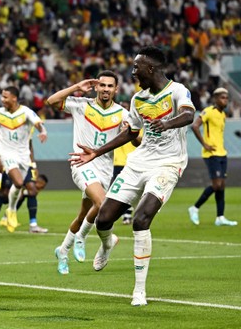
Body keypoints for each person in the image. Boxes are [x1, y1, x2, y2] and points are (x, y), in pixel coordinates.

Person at [70, 46, 196, 306]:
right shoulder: (138, 99)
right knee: (103, 218)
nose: (133, 71)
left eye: (137, 66)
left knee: (141, 219)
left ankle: (139, 291)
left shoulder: (177, 91)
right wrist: (96, 152)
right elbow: (130, 132)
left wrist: (168, 123)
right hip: (138, 162)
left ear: (150, 68)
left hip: (168, 164)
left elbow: (188, 114)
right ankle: (106, 246)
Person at [46, 71, 127, 275]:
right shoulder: (82, 105)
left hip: (105, 169)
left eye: (110, 86)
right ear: (96, 87)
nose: (106, 89)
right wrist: (76, 87)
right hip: (81, 163)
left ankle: (63, 251)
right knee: (102, 203)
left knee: (84, 213)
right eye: (102, 85)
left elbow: (136, 140)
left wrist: (129, 131)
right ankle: (82, 237)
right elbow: (51, 101)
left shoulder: (122, 113)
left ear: (116, 89)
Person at [0, 86, 48, 233]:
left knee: (19, 186)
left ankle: (11, 210)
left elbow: (38, 123)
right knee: (19, 182)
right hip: (6, 153)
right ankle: (8, 212)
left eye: (5, 97)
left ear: (14, 98)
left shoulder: (26, 112)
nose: (2, 99)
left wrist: (43, 131)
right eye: (2, 96)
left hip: (23, 156)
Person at [188, 87, 237, 226]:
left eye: (227, 98)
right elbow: (195, 126)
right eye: (222, 97)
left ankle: (220, 217)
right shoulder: (208, 111)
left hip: (222, 153)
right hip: (211, 154)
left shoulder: (223, 115)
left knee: (222, 186)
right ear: (215, 98)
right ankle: (194, 208)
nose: (225, 100)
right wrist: (204, 144)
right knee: (216, 185)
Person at [113, 101, 138, 225]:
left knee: (129, 191)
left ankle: (127, 214)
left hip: (132, 162)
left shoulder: (136, 123)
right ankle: (125, 214)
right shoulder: (115, 123)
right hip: (118, 161)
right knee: (117, 191)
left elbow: (140, 140)